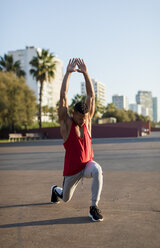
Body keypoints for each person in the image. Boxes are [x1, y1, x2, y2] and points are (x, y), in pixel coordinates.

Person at [51, 58, 103, 222]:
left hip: (87, 165)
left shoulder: (87, 121)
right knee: (65, 198)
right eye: (79, 117)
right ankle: (55, 190)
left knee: (97, 170)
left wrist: (86, 74)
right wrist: (68, 73)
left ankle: (93, 208)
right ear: (73, 114)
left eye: (84, 118)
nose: (82, 120)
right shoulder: (66, 124)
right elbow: (63, 95)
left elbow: (90, 95)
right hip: (72, 171)